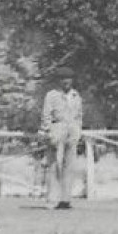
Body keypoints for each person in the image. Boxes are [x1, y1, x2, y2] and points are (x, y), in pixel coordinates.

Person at [40, 66, 83, 210]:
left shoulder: (76, 95)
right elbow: (46, 115)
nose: (66, 81)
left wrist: (78, 130)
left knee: (69, 166)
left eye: (69, 79)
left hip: (72, 131)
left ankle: (65, 200)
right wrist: (48, 131)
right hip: (57, 129)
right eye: (63, 79)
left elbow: (79, 115)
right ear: (59, 80)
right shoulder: (52, 95)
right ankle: (52, 199)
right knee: (53, 165)